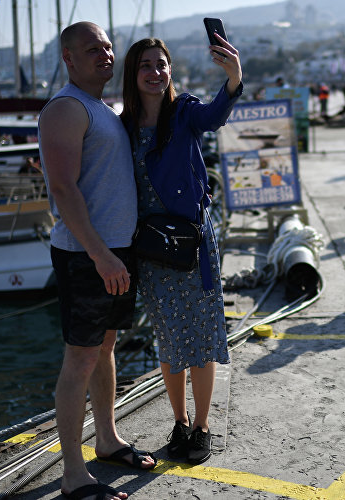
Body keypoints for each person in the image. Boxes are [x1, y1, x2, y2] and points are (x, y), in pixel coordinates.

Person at [38, 21, 155, 500]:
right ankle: (72, 476)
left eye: (108, 47)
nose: (105, 54)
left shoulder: (104, 109)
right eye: (92, 49)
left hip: (114, 252)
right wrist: (101, 254)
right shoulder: (65, 108)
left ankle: (106, 440)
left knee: (105, 349)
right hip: (89, 254)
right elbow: (62, 190)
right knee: (80, 358)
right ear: (68, 57)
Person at [120, 35, 240, 465]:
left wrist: (233, 77)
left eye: (162, 64)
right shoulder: (124, 127)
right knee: (170, 339)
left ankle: (203, 425)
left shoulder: (185, 110)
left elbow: (215, 115)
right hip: (151, 249)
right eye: (145, 65)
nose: (156, 72)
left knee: (202, 336)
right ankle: (179, 420)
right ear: (133, 75)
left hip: (192, 242)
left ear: (170, 70)